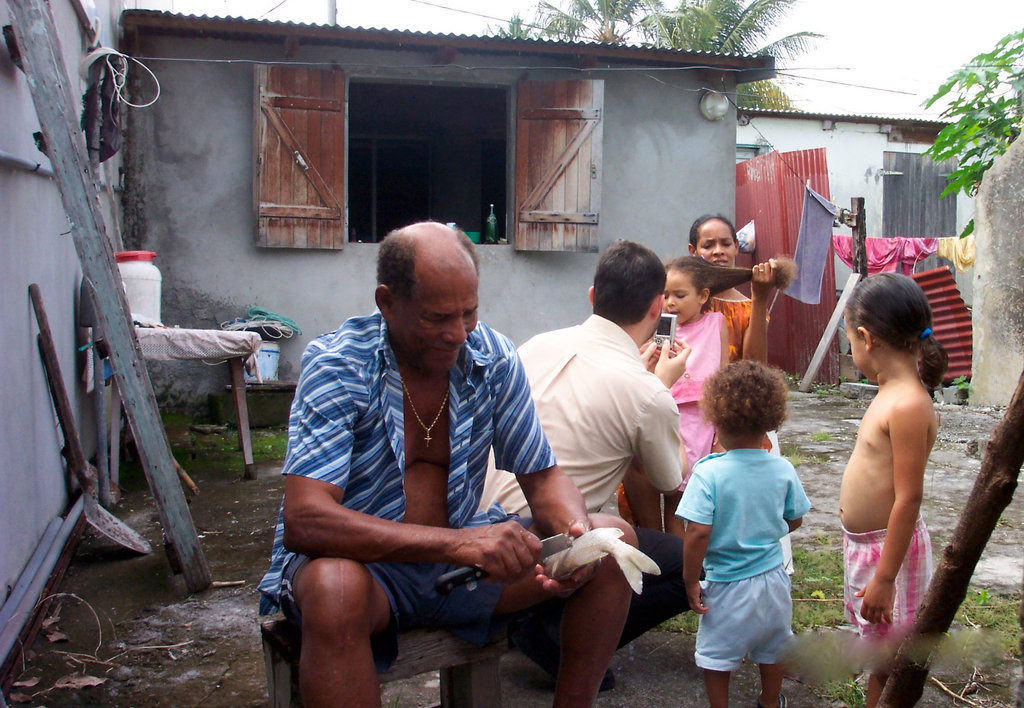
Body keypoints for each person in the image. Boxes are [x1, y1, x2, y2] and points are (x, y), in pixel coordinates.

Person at [257, 222, 636, 708]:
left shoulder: (491, 358)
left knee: (611, 544)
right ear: (388, 302)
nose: (457, 334)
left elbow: (542, 477)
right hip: (369, 576)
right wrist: (461, 543)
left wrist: (575, 532)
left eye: (469, 312)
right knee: (334, 590)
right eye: (437, 318)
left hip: (460, 573)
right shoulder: (339, 364)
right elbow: (306, 520)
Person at [480, 240, 693, 689]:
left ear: (593, 296)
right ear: (658, 308)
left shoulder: (536, 345)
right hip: (554, 540)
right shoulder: (645, 389)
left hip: (482, 529)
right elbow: (670, 479)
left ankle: (538, 617)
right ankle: (556, 639)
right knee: (691, 565)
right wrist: (662, 387)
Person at [839, 272, 948, 708]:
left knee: (891, 660)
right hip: (870, 548)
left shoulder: (908, 404)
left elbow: (909, 497)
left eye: (849, 341)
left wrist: (885, 577)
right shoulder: (890, 392)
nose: (852, 350)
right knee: (880, 654)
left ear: (866, 338)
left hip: (890, 555)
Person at [678, 360, 811, 708]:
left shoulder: (708, 474)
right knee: (773, 648)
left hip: (726, 585)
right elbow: (794, 519)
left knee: (717, 657)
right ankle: (770, 702)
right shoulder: (782, 469)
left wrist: (691, 580)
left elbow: (696, 534)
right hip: (774, 581)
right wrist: (770, 530)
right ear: (771, 422)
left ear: (716, 422)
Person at [621, 256, 728, 536]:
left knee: (685, 499)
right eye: (665, 295)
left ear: (703, 295)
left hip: (701, 422)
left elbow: (724, 375)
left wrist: (722, 426)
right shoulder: (657, 327)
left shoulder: (716, 324)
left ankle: (684, 562)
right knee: (670, 488)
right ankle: (671, 554)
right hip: (668, 416)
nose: (670, 303)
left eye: (680, 295)